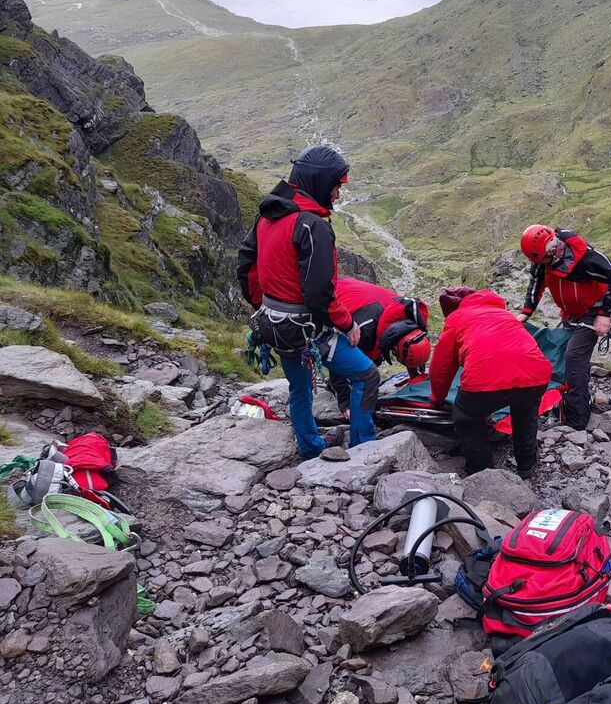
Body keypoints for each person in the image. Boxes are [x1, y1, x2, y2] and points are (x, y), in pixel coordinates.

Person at [236, 145, 378, 460]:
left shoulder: (269, 215)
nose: (338, 194)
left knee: (300, 390)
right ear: (319, 181)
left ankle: (311, 449)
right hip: (303, 328)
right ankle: (365, 450)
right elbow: (319, 293)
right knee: (366, 375)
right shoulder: (312, 226)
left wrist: (266, 306)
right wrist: (347, 323)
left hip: (272, 325)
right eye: (336, 186)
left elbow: (247, 268)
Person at [429, 286, 552, 477]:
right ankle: (527, 466)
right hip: (536, 375)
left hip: (484, 380)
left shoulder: (457, 318)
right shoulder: (505, 314)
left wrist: (438, 396)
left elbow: (442, 365)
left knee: (466, 417)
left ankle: (482, 471)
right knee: (525, 414)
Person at [518, 225, 611, 431]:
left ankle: (578, 421)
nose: (540, 265)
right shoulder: (543, 259)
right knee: (558, 354)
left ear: (554, 250)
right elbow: (536, 282)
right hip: (570, 314)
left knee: (574, 357)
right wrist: (526, 311)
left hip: (594, 311)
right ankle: (564, 401)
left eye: (543, 261)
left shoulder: (586, 259)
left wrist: (604, 314)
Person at [325, 277, 431, 415]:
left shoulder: (409, 319)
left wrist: (416, 378)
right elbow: (336, 355)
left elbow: (409, 347)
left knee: (372, 357)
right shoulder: (364, 329)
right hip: (329, 294)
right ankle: (335, 387)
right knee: (360, 358)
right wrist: (345, 403)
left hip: (357, 295)